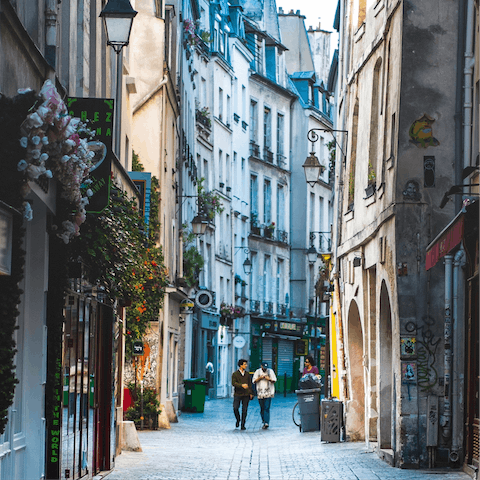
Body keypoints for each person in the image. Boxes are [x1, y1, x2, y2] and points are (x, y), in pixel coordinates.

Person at [252, 362, 277, 429]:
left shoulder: (270, 371)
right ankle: (263, 420)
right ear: (261, 366)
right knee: (262, 408)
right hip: (260, 393)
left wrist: (269, 379)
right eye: (263, 368)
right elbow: (253, 381)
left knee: (266, 408)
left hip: (268, 393)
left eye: (266, 368)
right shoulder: (257, 372)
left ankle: (266, 422)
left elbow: (274, 380)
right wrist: (260, 378)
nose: (265, 369)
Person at [232, 359, 253, 430]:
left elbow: (250, 384)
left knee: (244, 410)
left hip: (246, 394)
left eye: (246, 364)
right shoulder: (235, 374)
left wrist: (251, 393)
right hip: (237, 394)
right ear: (240, 365)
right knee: (235, 408)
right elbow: (233, 383)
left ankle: (243, 424)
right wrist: (241, 385)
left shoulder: (247, 374)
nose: (246, 365)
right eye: (245, 364)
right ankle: (238, 419)